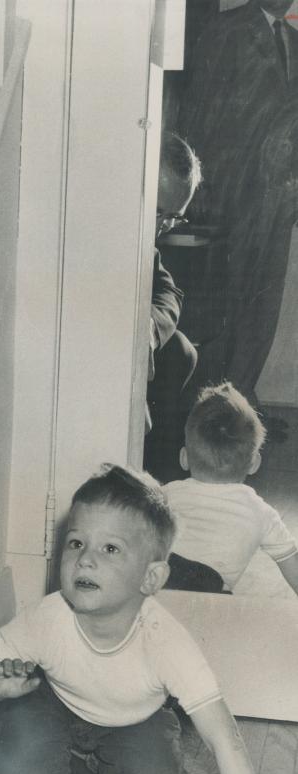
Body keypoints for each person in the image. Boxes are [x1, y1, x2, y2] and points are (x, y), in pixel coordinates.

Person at [0, 464, 269, 774]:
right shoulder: (44, 620)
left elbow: (224, 738)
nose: (85, 561)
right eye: (76, 543)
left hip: (133, 716)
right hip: (54, 700)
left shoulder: (166, 642)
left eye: (111, 549)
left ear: (151, 577)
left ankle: (105, 752)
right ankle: (56, 742)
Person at [177, 0, 298, 397]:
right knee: (224, 307)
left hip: (278, 199)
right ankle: (208, 407)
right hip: (232, 199)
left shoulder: (294, 39)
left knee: (262, 308)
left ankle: (242, 401)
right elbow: (199, 113)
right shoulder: (224, 30)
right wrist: (199, 192)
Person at [163, 382, 298, 594]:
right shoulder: (262, 514)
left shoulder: (167, 495)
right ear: (254, 463)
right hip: (209, 597)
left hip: (157, 589)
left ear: (184, 458)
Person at [144, 132, 203, 483]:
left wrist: (150, 329)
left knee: (181, 350)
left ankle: (152, 471)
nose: (161, 226)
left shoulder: (146, 242)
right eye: (156, 210)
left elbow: (168, 291)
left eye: (173, 217)